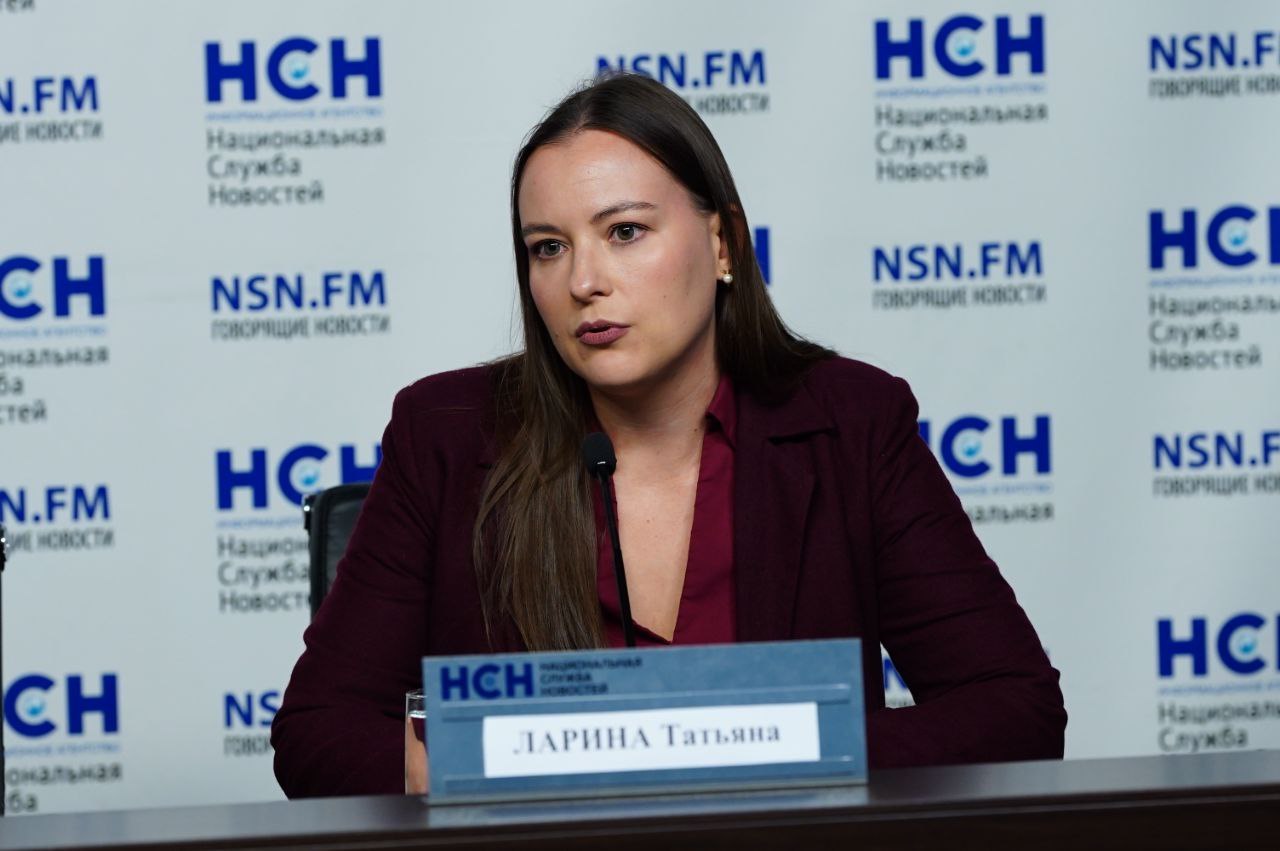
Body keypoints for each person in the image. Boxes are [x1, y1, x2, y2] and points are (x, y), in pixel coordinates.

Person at [271, 73, 1066, 798]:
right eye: (549, 247)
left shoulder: (851, 424)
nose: (584, 281)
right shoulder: (444, 434)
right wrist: (471, 766)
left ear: (722, 244)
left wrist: (783, 749)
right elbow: (315, 734)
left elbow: (1016, 709)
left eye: (624, 231)